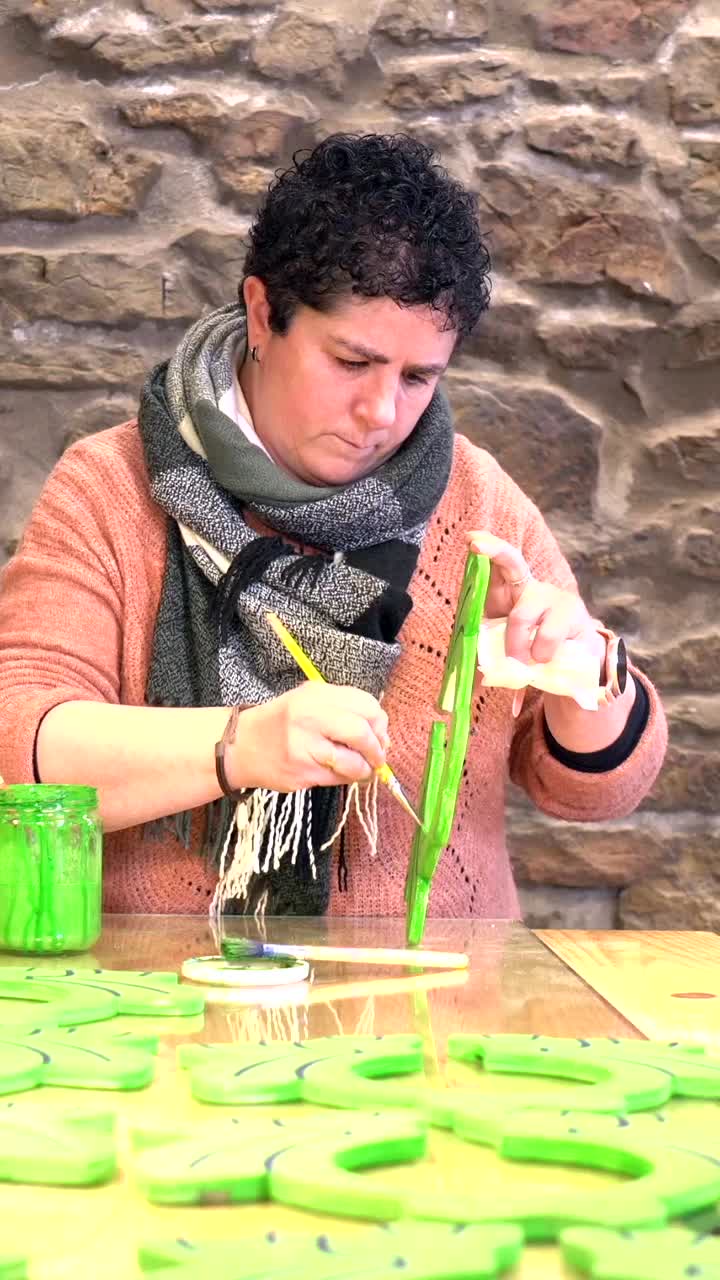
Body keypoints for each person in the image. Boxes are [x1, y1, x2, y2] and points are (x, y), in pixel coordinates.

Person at [0, 133, 667, 919]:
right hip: (161, 986)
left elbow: (597, 791)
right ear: (262, 315)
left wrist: (581, 670)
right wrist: (238, 746)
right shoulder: (111, 488)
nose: (381, 412)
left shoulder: (477, 500)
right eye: (352, 362)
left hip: (433, 986)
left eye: (418, 377)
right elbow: (17, 744)